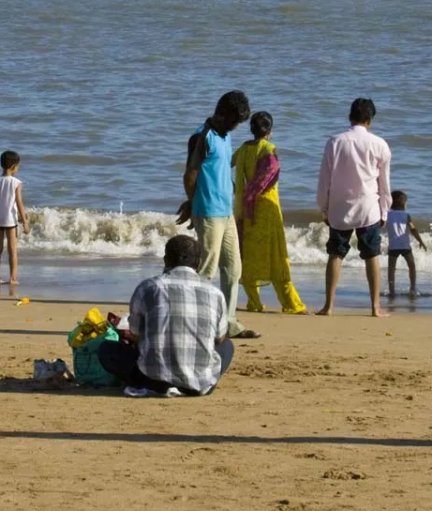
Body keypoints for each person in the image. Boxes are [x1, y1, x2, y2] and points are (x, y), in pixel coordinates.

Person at [98, 235, 234, 396]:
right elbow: (219, 338)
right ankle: (196, 378)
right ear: (198, 262)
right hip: (199, 383)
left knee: (106, 349)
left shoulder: (148, 287)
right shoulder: (215, 293)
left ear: (166, 260)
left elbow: (135, 333)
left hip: (152, 379)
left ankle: (154, 380)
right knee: (227, 346)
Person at [180, 90, 260, 339]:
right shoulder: (202, 137)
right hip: (208, 211)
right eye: (234, 121)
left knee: (233, 268)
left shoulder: (225, 137)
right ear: (221, 114)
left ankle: (227, 322)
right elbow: (190, 175)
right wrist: (192, 205)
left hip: (225, 212)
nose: (235, 127)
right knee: (207, 269)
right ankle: (198, 322)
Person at [317, 97, 391, 317]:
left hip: (339, 207)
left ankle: (329, 306)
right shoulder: (380, 144)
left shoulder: (334, 142)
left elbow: (324, 180)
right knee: (372, 255)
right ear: (369, 119)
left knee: (335, 254)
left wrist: (323, 207)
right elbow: (384, 183)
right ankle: (375, 307)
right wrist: (385, 209)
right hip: (368, 207)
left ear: (350, 117)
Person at [233, 111, 307, 314]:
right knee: (276, 256)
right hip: (266, 208)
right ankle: (291, 304)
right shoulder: (269, 149)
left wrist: (239, 189)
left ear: (252, 129)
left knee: (250, 253)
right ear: (270, 131)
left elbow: (228, 163)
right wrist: (253, 193)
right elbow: (269, 174)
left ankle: (254, 302)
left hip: (246, 209)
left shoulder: (243, 149)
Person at [0, 150, 30, 285]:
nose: (18, 168)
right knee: (12, 250)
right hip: (10, 219)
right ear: (13, 166)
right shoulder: (16, 182)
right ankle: (12, 278)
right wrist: (25, 222)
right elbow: (19, 203)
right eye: (18, 165)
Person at [386, 190, 426, 299]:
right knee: (412, 266)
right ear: (403, 203)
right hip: (405, 246)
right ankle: (412, 288)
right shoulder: (406, 215)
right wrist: (420, 241)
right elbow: (413, 230)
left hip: (393, 246)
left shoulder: (387, 215)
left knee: (391, 269)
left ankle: (391, 290)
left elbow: (381, 226)